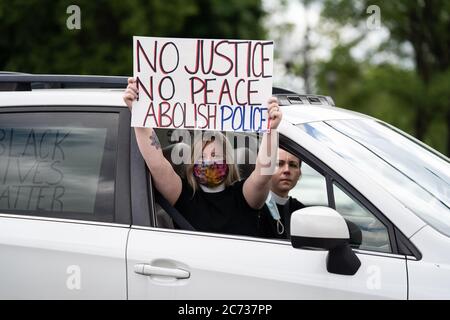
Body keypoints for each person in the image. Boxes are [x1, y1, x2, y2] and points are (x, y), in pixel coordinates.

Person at [123, 77, 282, 236]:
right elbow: (157, 164)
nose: (208, 161)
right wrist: (138, 114)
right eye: (201, 156)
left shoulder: (243, 196)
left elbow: (264, 172)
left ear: (228, 161)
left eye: (215, 155)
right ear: (192, 163)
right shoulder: (182, 194)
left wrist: (271, 130)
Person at [258, 148, 305, 239]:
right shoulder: (254, 206)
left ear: (299, 173)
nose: (287, 170)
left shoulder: (301, 212)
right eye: (279, 164)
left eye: (293, 165)